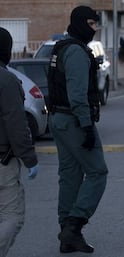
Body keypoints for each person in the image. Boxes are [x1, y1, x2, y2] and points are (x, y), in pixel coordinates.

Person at [47, 5, 108, 254]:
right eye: (92, 25)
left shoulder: (62, 47)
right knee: (97, 172)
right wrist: (86, 127)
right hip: (73, 120)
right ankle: (73, 226)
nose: (94, 30)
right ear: (82, 23)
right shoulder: (76, 52)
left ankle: (67, 236)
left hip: (60, 119)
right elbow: (77, 95)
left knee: (70, 176)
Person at [0, 27, 39, 257]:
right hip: (3, 162)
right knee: (12, 216)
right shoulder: (7, 80)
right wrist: (29, 158)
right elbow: (16, 124)